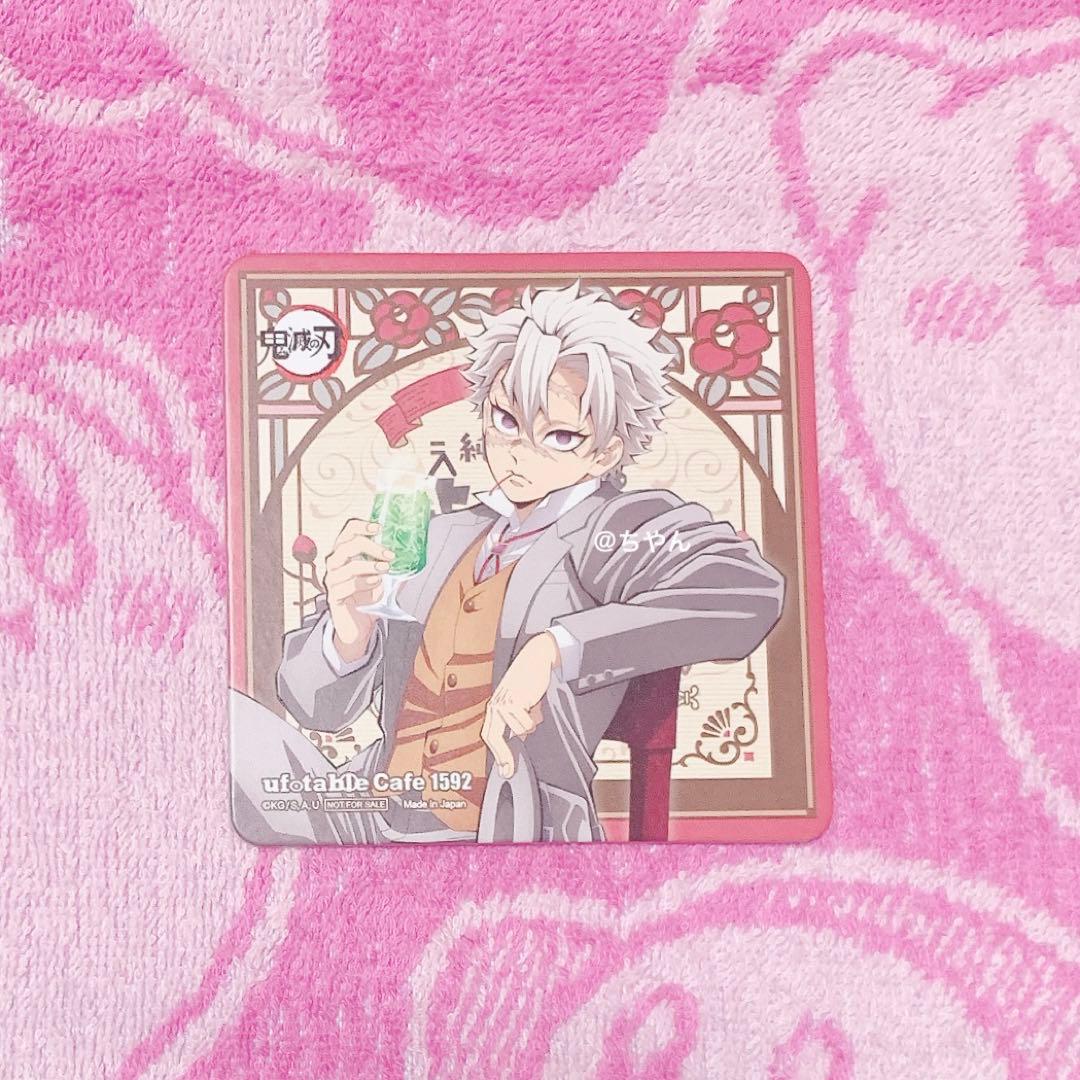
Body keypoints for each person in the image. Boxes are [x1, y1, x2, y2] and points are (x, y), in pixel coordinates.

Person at [232, 281, 784, 844]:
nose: (521, 451)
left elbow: (744, 590)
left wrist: (555, 648)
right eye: (506, 421)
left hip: (505, 829)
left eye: (560, 436)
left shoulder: (610, 527)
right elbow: (315, 710)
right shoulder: (438, 535)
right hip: (366, 812)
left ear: (606, 453)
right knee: (232, 725)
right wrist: (348, 632)